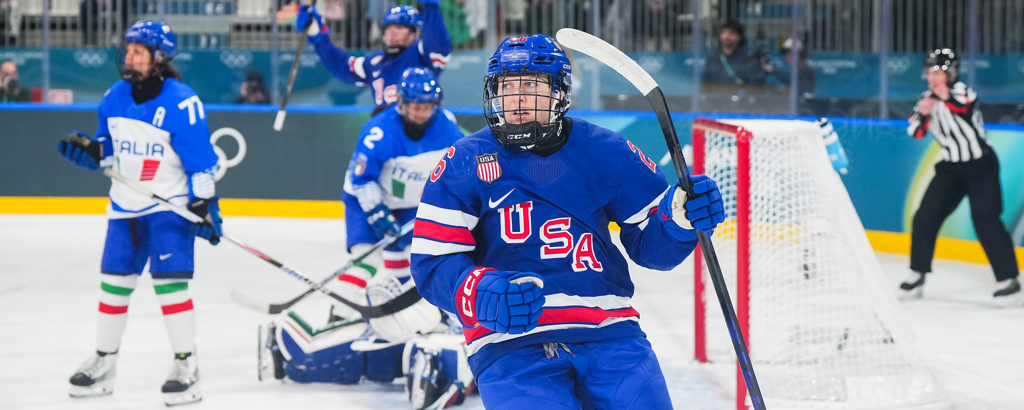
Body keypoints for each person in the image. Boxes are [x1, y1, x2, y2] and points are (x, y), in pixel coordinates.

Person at [410, 34, 726, 408]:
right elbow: (433, 263)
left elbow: (653, 250)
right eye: (506, 86)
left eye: (530, 84)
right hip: (511, 340)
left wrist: (679, 220)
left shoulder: (608, 150)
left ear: (560, 92)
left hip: (611, 334)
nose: (517, 97)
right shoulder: (462, 162)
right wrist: (476, 291)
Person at [256, 67, 471, 409]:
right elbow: (363, 179)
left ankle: (412, 310)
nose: (421, 112)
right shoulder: (378, 130)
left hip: (412, 205)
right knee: (366, 258)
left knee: (418, 261)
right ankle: (342, 313)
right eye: (415, 105)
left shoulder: (446, 124)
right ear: (401, 103)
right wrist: (377, 215)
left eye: (427, 105)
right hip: (366, 200)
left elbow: (463, 166)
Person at [56, 21, 223, 406]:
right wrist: (93, 154)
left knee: (169, 287)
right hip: (124, 209)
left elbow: (201, 164)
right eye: (128, 48)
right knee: (114, 286)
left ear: (160, 58)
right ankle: (104, 361)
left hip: (170, 210)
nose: (129, 56)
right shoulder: (114, 96)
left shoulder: (182, 101)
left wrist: (205, 207)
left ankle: (186, 363)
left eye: (139, 51)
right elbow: (108, 148)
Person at [902, 48, 1021, 305]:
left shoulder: (963, 91)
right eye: (930, 71)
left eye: (939, 71)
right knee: (924, 217)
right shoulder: (926, 99)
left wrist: (944, 98)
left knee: (986, 221)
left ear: (951, 73)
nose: (933, 77)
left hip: (980, 166)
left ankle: (1009, 281)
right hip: (951, 168)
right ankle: (917, 274)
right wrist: (924, 112)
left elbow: (963, 107)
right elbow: (916, 132)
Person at [296, 0, 452, 115]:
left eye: (399, 27)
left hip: (420, 131)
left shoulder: (421, 53)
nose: (392, 33)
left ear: (416, 32)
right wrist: (319, 37)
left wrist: (431, 6)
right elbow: (342, 66)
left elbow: (438, 41)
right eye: (388, 28)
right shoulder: (375, 62)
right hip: (388, 135)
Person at [703, 19, 767, 85]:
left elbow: (755, 84)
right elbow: (707, 84)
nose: (726, 36)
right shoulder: (712, 59)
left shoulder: (748, 59)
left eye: (731, 33)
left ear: (739, 37)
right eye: (724, 32)